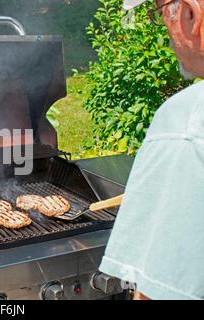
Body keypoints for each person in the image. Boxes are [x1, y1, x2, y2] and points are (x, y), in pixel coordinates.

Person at [99, 0, 204, 300]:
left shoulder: (188, 122)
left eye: (160, 14)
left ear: (189, 13)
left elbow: (162, 291)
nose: (165, 30)